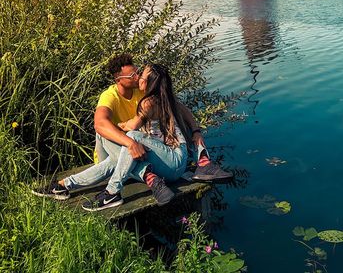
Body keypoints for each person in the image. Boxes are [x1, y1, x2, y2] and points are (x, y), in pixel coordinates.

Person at [33, 53, 232, 208]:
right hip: (138, 154)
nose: (137, 77)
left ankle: (110, 191)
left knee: (128, 142)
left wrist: (196, 131)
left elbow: (140, 125)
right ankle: (65, 186)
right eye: (133, 75)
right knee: (119, 143)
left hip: (156, 158)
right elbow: (100, 124)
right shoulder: (111, 96)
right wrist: (128, 140)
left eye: (139, 73)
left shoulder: (149, 97)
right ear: (119, 80)